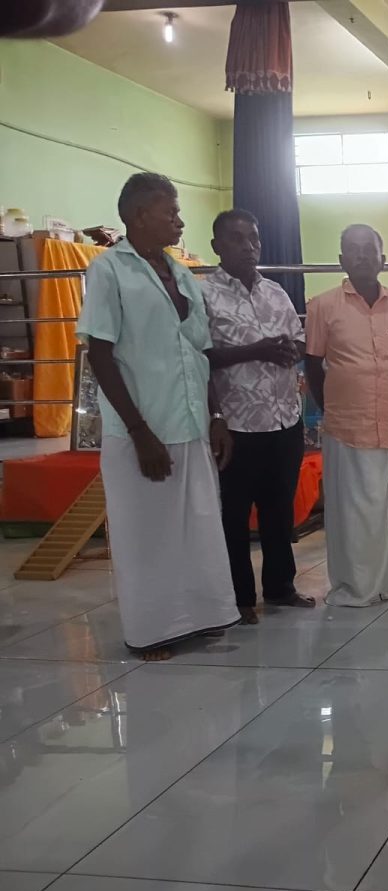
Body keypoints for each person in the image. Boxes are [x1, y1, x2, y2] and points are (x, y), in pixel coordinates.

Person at [75, 172, 240, 660]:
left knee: (196, 524)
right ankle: (150, 632)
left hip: (188, 419)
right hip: (142, 426)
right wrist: (139, 431)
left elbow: (198, 350)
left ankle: (200, 618)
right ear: (138, 215)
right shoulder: (109, 270)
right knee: (146, 532)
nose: (179, 221)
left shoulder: (181, 273)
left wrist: (216, 415)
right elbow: (100, 354)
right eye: (171, 212)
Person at [304, 225, 388, 607]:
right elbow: (312, 365)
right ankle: (356, 586)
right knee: (353, 512)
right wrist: (335, 405)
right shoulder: (322, 306)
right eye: (353, 250)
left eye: (369, 250)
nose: (362, 256)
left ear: (382, 259)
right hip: (347, 426)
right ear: (341, 260)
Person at [202, 209, 314, 625]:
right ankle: (240, 598)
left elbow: (299, 341)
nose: (249, 247)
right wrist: (257, 351)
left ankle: (281, 587)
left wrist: (290, 351)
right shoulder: (204, 295)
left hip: (283, 417)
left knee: (279, 509)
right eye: (237, 239)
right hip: (236, 424)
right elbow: (201, 356)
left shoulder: (275, 292)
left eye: (254, 238)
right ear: (217, 246)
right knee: (234, 514)